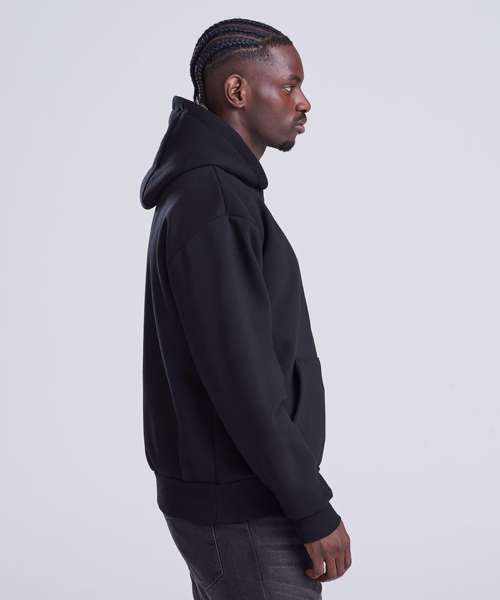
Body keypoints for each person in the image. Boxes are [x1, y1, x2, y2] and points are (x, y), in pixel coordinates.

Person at [139, 17, 352, 599]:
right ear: (236, 91)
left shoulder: (214, 193)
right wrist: (311, 507)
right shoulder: (213, 201)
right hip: (247, 508)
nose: (304, 102)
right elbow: (242, 379)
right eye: (289, 85)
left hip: (239, 498)